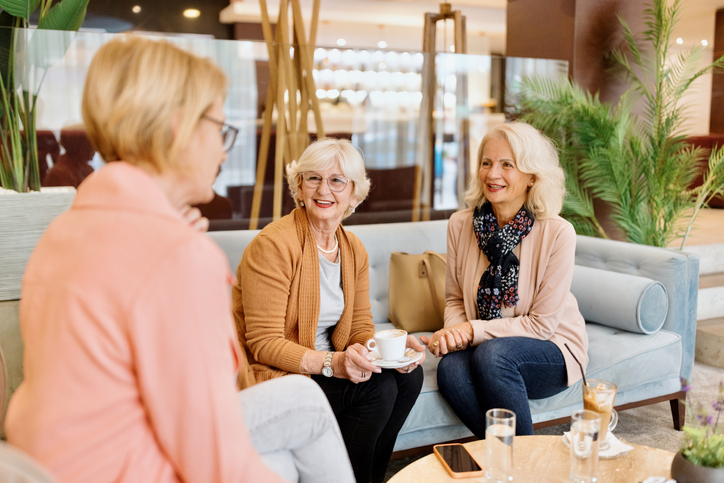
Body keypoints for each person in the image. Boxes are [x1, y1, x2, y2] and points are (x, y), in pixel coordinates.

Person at [5, 36, 354, 483]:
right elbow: (212, 461)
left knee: (302, 403)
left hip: (54, 463)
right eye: (220, 129)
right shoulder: (174, 255)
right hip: (121, 469)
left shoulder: (68, 228)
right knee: (282, 461)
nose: (224, 150)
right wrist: (177, 255)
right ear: (178, 128)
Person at [233, 138, 425, 483]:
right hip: (282, 372)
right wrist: (332, 364)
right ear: (300, 186)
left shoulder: (353, 249)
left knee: (408, 376)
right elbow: (263, 343)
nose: (325, 190)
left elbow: (359, 328)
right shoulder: (273, 245)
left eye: (337, 180)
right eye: (313, 178)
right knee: (376, 389)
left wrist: (390, 352)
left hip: (328, 365)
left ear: (354, 194)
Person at [420, 122, 588, 437]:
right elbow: (456, 298)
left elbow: (541, 326)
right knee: (451, 370)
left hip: (551, 348)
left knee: (493, 354)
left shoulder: (557, 232)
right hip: (486, 346)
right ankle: (504, 461)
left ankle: (521, 466)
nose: (492, 174)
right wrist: (454, 333)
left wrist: (470, 330)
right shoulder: (460, 225)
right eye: (487, 163)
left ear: (532, 177)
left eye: (506, 165)